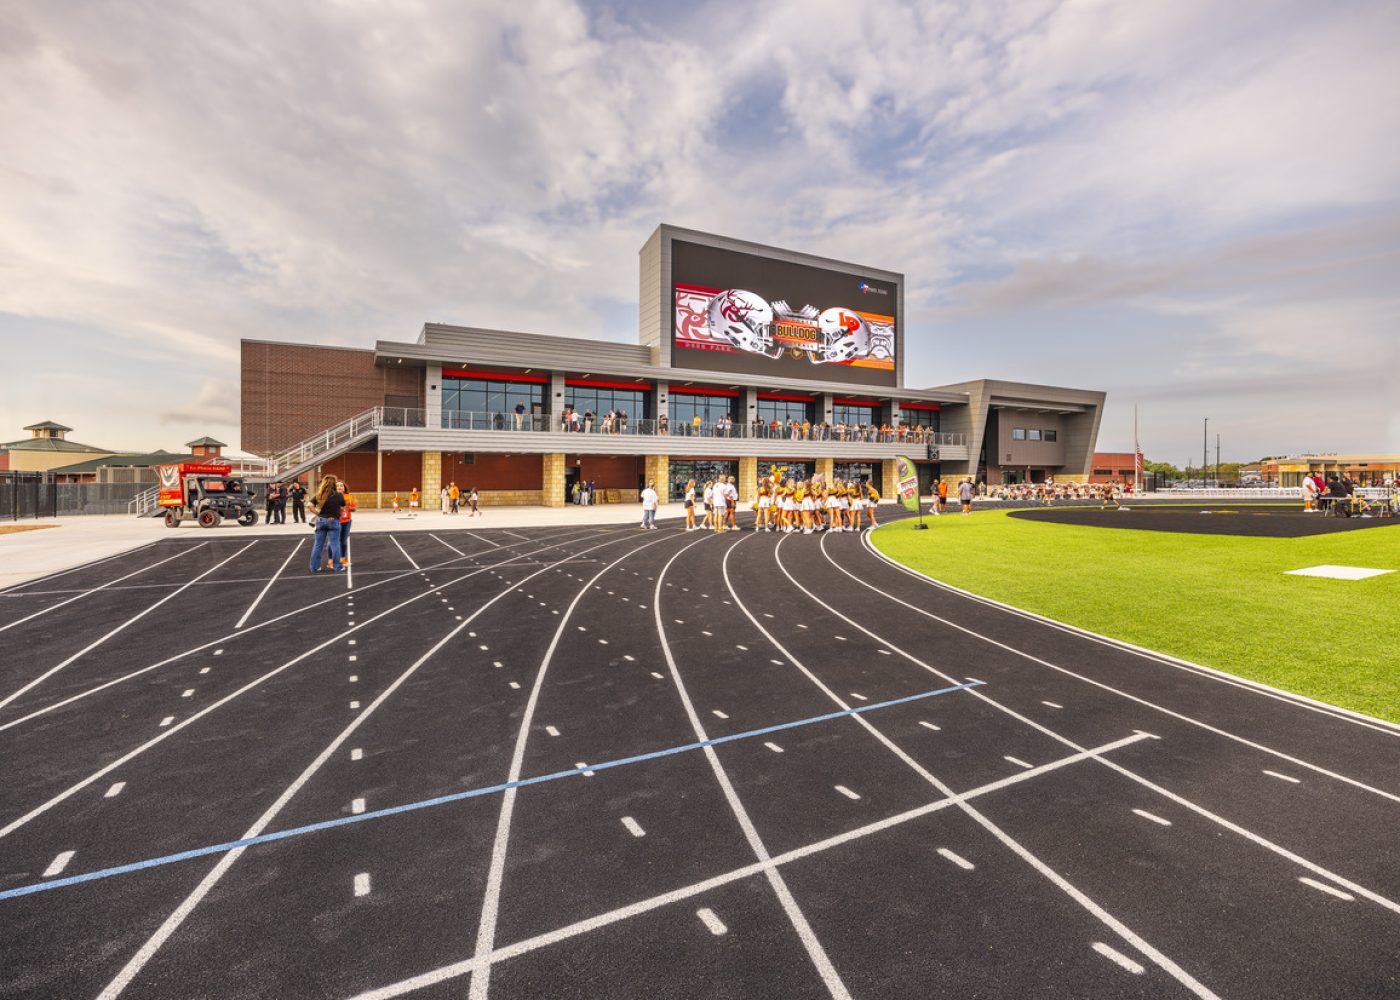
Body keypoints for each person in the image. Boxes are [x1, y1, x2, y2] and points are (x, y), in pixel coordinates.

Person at [307, 475, 346, 572]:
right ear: (334, 484)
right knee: (335, 544)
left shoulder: (319, 495)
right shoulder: (338, 495)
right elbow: (343, 504)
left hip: (320, 521)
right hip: (333, 521)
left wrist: (317, 513)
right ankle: (337, 567)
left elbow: (309, 505)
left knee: (318, 545)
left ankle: (314, 567)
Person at [335, 480, 356, 568]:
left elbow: (354, 508)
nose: (340, 487)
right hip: (336, 521)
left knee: (343, 541)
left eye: (341, 485)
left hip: (347, 521)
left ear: (344, 488)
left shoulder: (349, 496)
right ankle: (334, 560)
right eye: (337, 486)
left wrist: (348, 508)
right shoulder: (332, 496)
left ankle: (343, 559)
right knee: (335, 541)